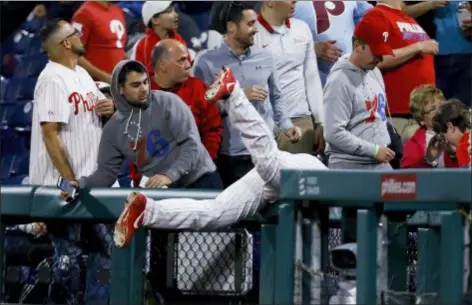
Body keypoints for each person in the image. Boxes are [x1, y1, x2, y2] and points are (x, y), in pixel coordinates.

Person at [108, 66, 327, 246]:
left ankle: (148, 211)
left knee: (216, 213)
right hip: (304, 171)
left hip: (284, 187)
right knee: (265, 164)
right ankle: (233, 93)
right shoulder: (347, 194)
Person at [29, 19, 115, 305]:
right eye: (76, 33)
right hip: (65, 188)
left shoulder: (81, 74)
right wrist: (69, 180)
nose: (80, 36)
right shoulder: (53, 78)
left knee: (105, 256)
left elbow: (93, 119)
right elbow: (50, 135)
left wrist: (108, 108)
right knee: (68, 259)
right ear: (66, 42)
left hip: (92, 185)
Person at [65, 59, 222, 190]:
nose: (144, 89)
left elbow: (191, 144)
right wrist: (80, 184)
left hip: (201, 179)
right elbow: (106, 173)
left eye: (146, 82)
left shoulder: (168, 102)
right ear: (121, 90)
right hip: (166, 189)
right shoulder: (112, 130)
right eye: (136, 85)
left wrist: (169, 175)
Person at [193, 1, 300, 187]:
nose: (256, 30)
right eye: (250, 24)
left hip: (266, 151)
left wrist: (286, 125)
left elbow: (276, 97)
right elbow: (202, 111)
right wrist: (238, 96)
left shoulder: (266, 57)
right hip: (230, 155)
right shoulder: (206, 63)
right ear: (231, 27)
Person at [323, 9, 394, 170]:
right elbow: (333, 133)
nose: (380, 58)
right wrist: (374, 150)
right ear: (357, 46)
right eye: (376, 52)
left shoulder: (374, 71)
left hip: (379, 163)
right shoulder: (339, 80)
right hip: (349, 165)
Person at [256, 1, 325, 155]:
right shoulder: (251, 32)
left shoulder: (302, 28)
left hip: (300, 119)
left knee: (298, 178)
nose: (294, 1)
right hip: (263, 122)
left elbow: (311, 77)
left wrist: (320, 122)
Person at [150, 39, 222, 161]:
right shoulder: (143, 93)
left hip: (197, 168)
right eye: (182, 60)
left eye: (188, 59)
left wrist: (206, 161)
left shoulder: (197, 88)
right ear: (163, 65)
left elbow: (213, 129)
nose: (188, 65)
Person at [295, 1, 373, 86]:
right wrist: (313, 48)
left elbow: (372, 20)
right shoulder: (291, 4)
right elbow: (281, 41)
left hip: (353, 77)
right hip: (313, 81)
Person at [400, 85, 458, 169]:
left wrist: (453, 154)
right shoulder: (413, 144)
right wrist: (429, 159)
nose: (441, 112)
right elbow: (408, 175)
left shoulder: (459, 132)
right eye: (433, 109)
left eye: (442, 106)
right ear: (421, 119)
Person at [72, 1, 127, 83]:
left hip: (119, 82)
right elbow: (73, 53)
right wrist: (105, 77)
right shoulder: (84, 13)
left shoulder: (118, 10)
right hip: (95, 84)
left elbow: (117, 47)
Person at [433, 99, 471, 168]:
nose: (446, 141)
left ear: (450, 126)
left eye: (444, 136)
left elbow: (465, 178)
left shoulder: (463, 148)